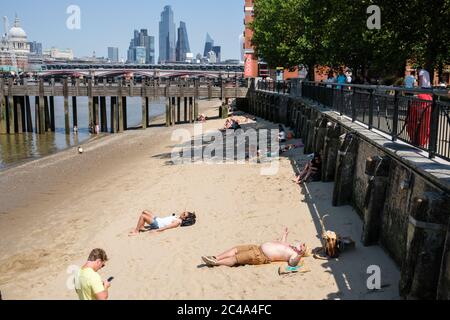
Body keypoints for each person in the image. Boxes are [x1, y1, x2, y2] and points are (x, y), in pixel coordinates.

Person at [201, 228, 309, 268]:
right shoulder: (289, 246)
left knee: (236, 258)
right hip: (257, 247)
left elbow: (292, 263)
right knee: (235, 249)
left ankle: (215, 263)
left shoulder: (294, 254)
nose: (301, 244)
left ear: (302, 250)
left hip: (260, 256)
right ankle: (216, 257)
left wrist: (300, 254)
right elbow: (281, 245)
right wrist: (285, 235)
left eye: (303, 246)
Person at [129, 210, 196, 236]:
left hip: (157, 224)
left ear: (184, 218)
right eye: (184, 212)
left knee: (143, 216)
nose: (182, 213)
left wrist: (157, 230)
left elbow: (168, 227)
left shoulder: (178, 222)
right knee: (145, 211)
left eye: (184, 214)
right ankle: (141, 227)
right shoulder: (178, 217)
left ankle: (137, 231)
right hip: (158, 219)